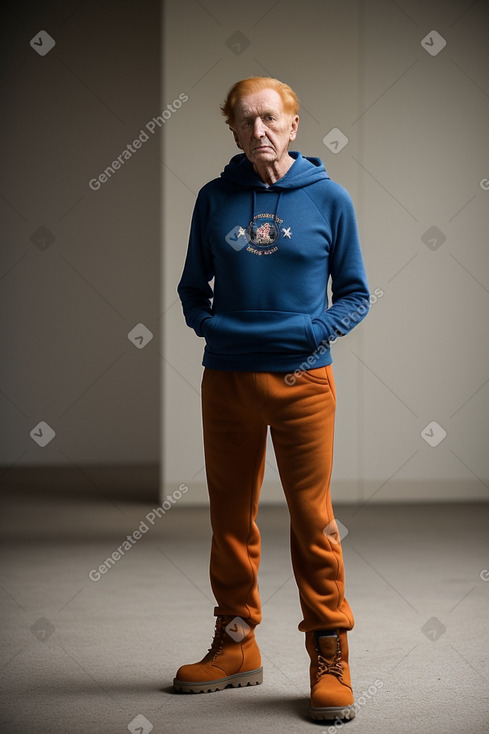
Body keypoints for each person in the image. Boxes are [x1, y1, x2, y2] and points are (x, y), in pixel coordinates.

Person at [174, 76, 370, 722]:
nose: (257, 131)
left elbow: (355, 295)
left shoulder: (329, 200)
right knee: (229, 519)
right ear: (231, 130)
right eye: (243, 121)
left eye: (269, 119)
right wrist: (216, 331)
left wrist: (311, 333)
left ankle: (328, 653)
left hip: (302, 384)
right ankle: (235, 646)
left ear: (292, 126)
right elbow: (189, 293)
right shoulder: (213, 199)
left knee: (313, 521)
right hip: (226, 380)